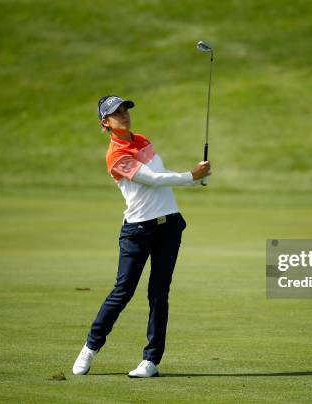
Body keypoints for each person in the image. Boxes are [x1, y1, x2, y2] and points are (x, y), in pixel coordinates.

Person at [72, 95, 211, 378]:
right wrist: (190, 176)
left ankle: (151, 361)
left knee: (159, 294)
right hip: (137, 231)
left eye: (125, 110)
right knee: (122, 292)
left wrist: (195, 178)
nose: (123, 115)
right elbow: (150, 179)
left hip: (169, 227)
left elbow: (160, 174)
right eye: (116, 113)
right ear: (105, 123)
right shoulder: (115, 155)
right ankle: (91, 346)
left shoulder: (143, 140)